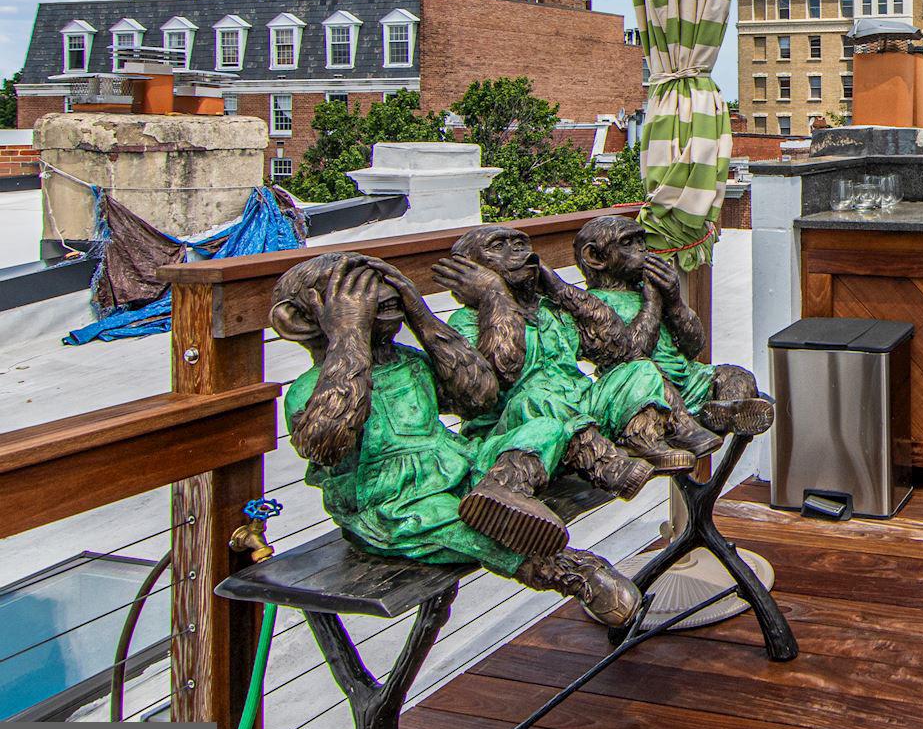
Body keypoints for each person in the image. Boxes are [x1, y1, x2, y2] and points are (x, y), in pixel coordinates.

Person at [272, 252, 641, 628]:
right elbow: (328, 444)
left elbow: (477, 397)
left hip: (459, 465)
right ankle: (569, 570)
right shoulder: (309, 389)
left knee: (544, 427)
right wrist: (348, 334)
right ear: (299, 320)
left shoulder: (411, 362)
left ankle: (503, 492)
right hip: (391, 501)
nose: (378, 295)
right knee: (457, 524)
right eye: (353, 290)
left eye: (381, 282)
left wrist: (422, 317)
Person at [433, 224, 698, 500]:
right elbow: (501, 372)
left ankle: (643, 439)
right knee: (537, 398)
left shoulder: (550, 308)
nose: (518, 253)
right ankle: (605, 464)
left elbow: (618, 347)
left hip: (581, 408)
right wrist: (494, 295)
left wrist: (557, 286)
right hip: (521, 430)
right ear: (469, 269)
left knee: (638, 370)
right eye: (499, 247)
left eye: (521, 244)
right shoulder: (465, 322)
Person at [565, 215, 774, 438]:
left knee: (737, 376)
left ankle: (727, 410)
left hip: (689, 379)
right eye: (628, 244)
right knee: (654, 378)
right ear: (595, 257)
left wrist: (674, 301)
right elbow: (631, 355)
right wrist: (652, 303)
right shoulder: (594, 305)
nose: (642, 250)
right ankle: (706, 418)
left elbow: (695, 347)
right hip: (645, 389)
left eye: (641, 242)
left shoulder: (647, 289)